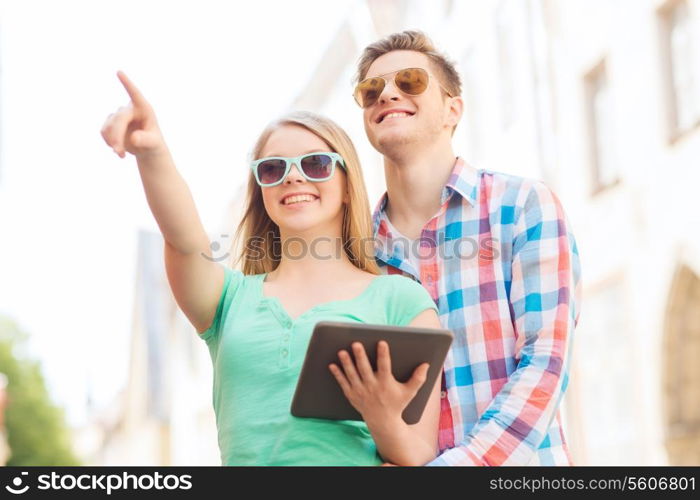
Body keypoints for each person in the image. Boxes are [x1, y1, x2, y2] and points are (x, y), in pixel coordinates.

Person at [100, 71, 443, 466]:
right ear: (262, 191)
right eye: (272, 168)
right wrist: (152, 152)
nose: (293, 176)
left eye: (315, 164)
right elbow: (183, 240)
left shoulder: (403, 301)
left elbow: (419, 456)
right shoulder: (228, 300)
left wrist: (382, 417)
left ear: (348, 186)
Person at [353, 31, 582, 465]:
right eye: (371, 89)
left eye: (410, 81)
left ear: (452, 109)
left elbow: (544, 365)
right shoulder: (356, 253)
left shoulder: (522, 207)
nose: (386, 93)